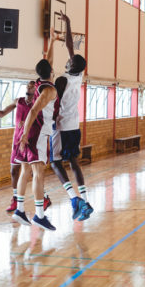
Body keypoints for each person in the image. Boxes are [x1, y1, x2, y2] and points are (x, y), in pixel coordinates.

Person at [13, 29, 60, 231]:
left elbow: (47, 61)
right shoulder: (48, 89)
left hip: (32, 131)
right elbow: (33, 111)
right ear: (50, 71)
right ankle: (39, 215)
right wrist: (24, 134)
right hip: (37, 132)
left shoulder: (41, 81)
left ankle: (20, 209)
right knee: (38, 174)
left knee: (25, 171)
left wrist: (52, 41)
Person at [49, 12, 93, 221]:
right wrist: (68, 23)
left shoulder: (61, 80)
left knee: (56, 163)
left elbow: (53, 103)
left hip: (62, 126)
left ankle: (74, 199)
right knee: (74, 162)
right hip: (75, 124)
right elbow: (70, 47)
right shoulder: (79, 75)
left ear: (70, 66)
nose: (67, 60)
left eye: (69, 61)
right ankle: (85, 200)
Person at [0, 81, 52, 213]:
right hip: (17, 139)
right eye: (28, 85)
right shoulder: (18, 101)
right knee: (14, 171)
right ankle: (16, 199)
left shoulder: (39, 103)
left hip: (32, 138)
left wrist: (27, 123)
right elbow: (2, 113)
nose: (29, 87)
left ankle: (43, 197)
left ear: (36, 89)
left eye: (32, 86)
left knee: (35, 172)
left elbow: (42, 118)